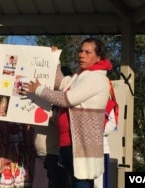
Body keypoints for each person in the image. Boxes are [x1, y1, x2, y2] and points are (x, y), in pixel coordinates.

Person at [23, 38, 113, 188]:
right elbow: (60, 83)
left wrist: (38, 89)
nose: (81, 55)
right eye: (80, 51)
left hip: (83, 146)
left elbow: (66, 99)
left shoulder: (96, 78)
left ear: (98, 57)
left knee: (81, 183)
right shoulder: (81, 75)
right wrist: (55, 61)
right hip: (69, 144)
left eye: (87, 52)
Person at [32, 106, 69, 188]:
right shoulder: (39, 100)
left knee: (58, 184)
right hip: (41, 154)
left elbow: (64, 122)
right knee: (38, 185)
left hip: (54, 153)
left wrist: (50, 114)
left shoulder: (59, 100)